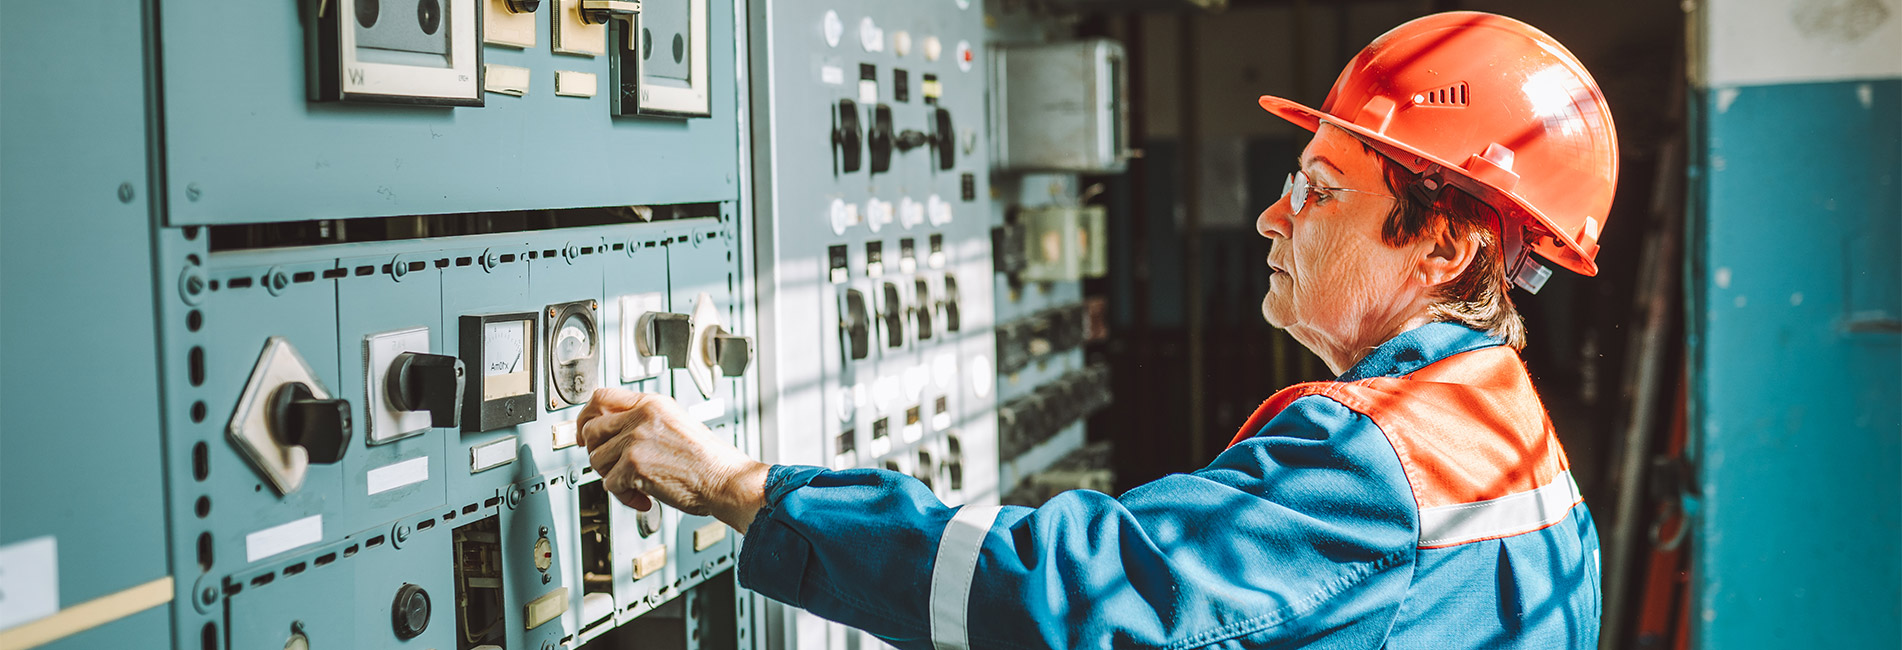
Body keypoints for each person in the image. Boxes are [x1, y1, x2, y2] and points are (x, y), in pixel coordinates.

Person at [579, 11, 1617, 649]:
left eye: (1318, 187)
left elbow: (1059, 597)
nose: (1271, 214)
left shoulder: (1377, 458)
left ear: (1444, 246)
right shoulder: (1513, 437)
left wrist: (735, 486)